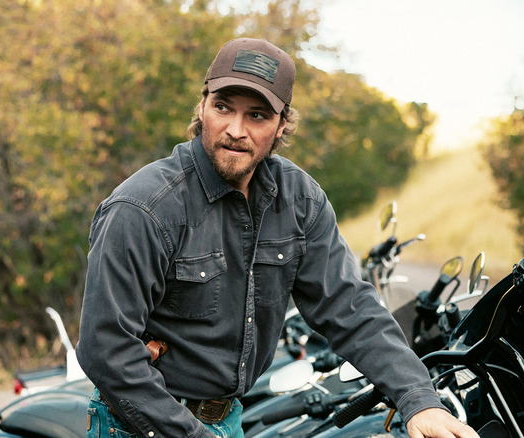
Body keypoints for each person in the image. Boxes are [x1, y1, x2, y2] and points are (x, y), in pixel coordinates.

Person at [76, 37, 479, 438]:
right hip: (139, 423)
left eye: (256, 116)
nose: (235, 130)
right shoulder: (144, 207)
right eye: (222, 108)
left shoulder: (299, 201)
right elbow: (106, 350)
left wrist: (418, 399)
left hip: (228, 420)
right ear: (202, 106)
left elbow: (350, 308)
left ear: (282, 124)